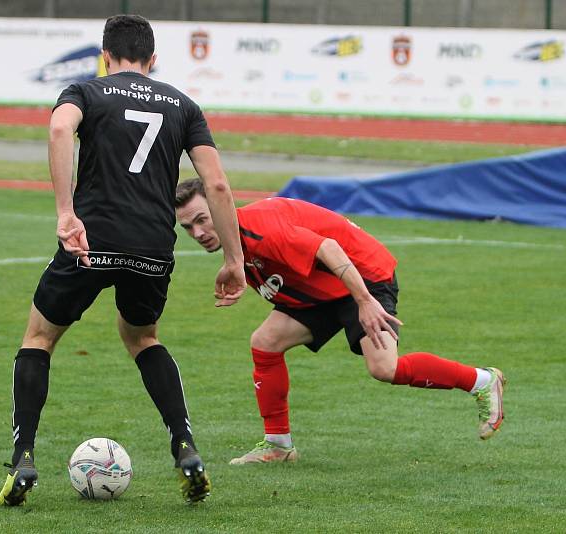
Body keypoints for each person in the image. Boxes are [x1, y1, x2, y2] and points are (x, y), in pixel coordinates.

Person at [0, 15, 245, 506]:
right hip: (153, 246)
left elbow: (59, 129)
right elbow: (215, 184)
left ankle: (23, 457)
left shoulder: (86, 92)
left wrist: (66, 212)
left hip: (92, 240)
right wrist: (234, 259)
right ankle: (185, 447)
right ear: (153, 60)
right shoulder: (183, 105)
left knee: (39, 339)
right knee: (142, 337)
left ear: (105, 57)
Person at [174, 179, 505, 465]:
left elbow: (328, 248)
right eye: (188, 227)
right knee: (265, 342)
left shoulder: (263, 230)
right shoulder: (239, 238)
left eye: (202, 220)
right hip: (322, 287)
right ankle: (278, 445)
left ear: (222, 205)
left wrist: (364, 302)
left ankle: (481, 381)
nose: (198, 233)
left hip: (363, 275)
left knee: (384, 368)